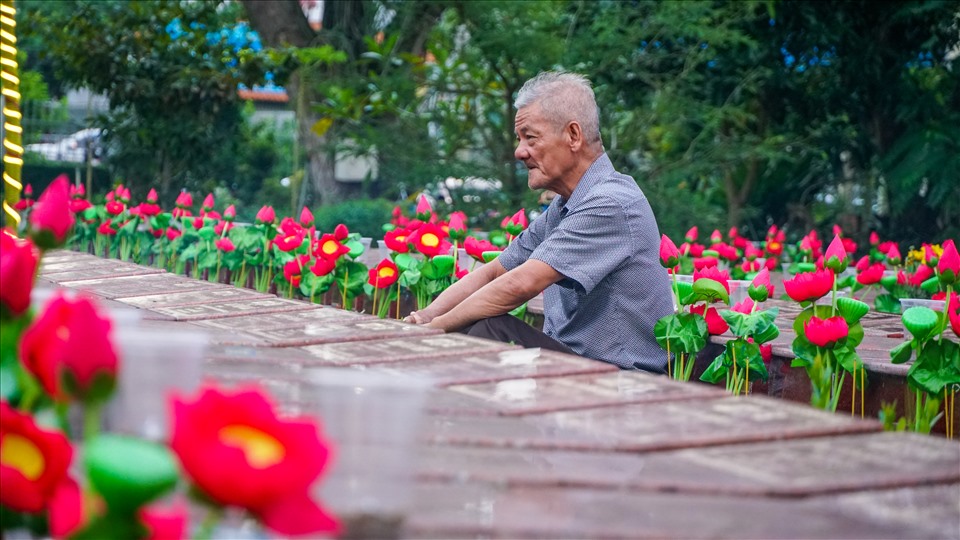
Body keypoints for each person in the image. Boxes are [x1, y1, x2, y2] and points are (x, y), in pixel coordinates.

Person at [405, 71, 673, 373]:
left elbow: (520, 284)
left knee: (490, 329)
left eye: (530, 137)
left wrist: (434, 331)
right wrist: (425, 318)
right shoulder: (563, 207)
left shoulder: (610, 203)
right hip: (572, 371)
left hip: (622, 385)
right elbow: (495, 272)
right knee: (475, 326)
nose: (519, 152)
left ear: (573, 135)